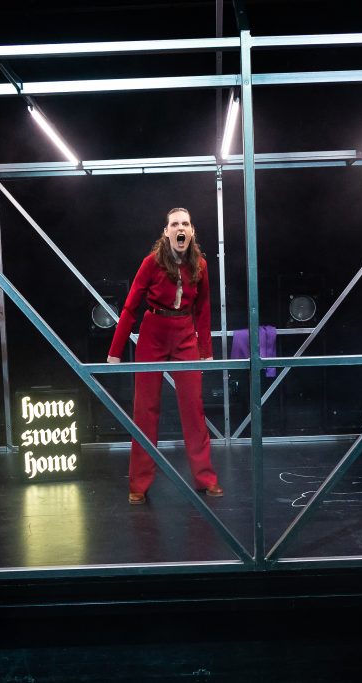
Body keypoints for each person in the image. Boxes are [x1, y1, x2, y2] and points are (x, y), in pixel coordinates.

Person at [107, 208, 222, 505]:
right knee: (145, 408)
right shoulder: (151, 263)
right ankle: (139, 483)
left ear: (191, 232)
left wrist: (206, 350)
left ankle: (205, 477)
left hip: (185, 332)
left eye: (185, 223)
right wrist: (115, 351)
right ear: (166, 232)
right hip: (154, 331)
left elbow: (204, 309)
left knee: (193, 407)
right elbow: (131, 306)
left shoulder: (201, 265)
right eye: (175, 224)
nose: (180, 228)